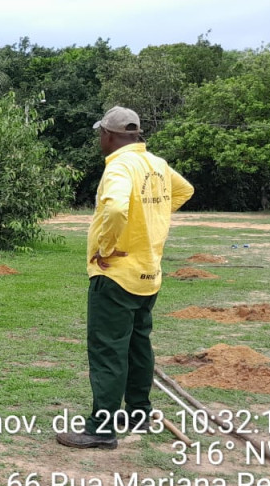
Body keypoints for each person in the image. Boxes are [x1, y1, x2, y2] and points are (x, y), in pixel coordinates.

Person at [57, 106, 194, 450]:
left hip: (116, 275)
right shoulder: (157, 164)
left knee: (108, 350)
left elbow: (117, 209)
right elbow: (184, 190)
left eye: (100, 133)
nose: (99, 140)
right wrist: (151, 218)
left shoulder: (119, 166)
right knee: (138, 345)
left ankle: (101, 428)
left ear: (109, 135)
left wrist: (105, 248)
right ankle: (138, 413)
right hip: (149, 273)